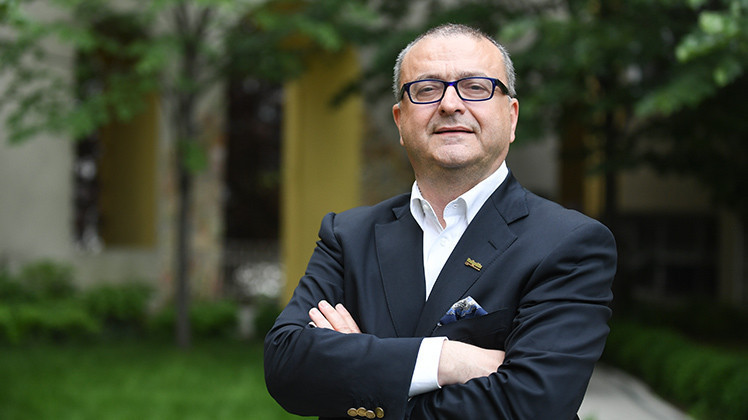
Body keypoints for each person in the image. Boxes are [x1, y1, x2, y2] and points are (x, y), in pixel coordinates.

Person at [264, 23, 616, 420]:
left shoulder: (569, 243)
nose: (450, 104)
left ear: (512, 117)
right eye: (427, 89)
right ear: (400, 120)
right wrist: (446, 359)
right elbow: (285, 363)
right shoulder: (347, 236)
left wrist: (365, 369)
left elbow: (532, 404)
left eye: (476, 87)